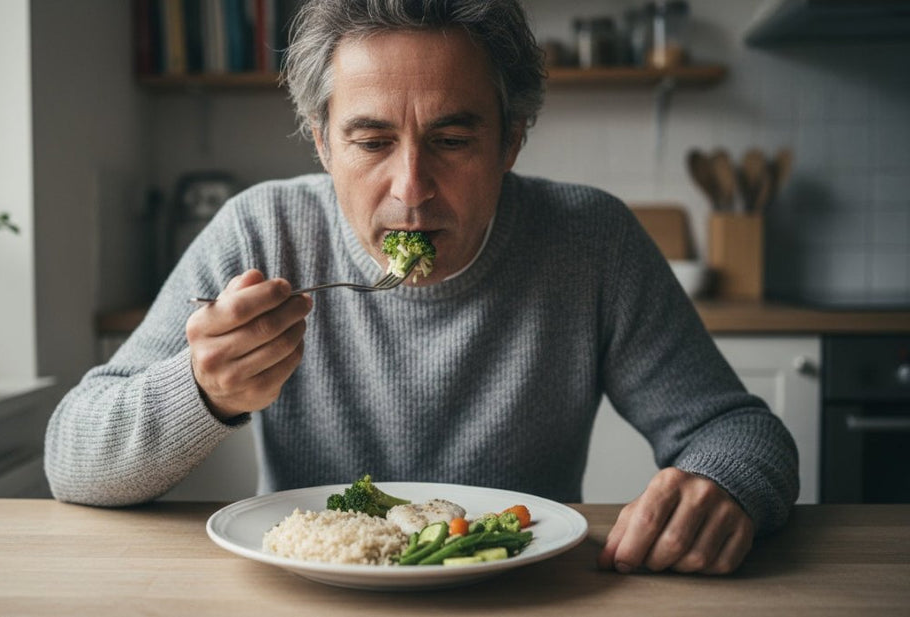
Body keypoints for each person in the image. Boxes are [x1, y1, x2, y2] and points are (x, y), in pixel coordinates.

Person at [45, 0, 798, 576]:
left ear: (512, 139)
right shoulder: (261, 232)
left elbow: (744, 432)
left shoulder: (590, 240)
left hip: (519, 599)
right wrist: (202, 390)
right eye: (372, 141)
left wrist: (720, 482)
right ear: (321, 139)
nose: (411, 189)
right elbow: (73, 457)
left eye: (452, 139)